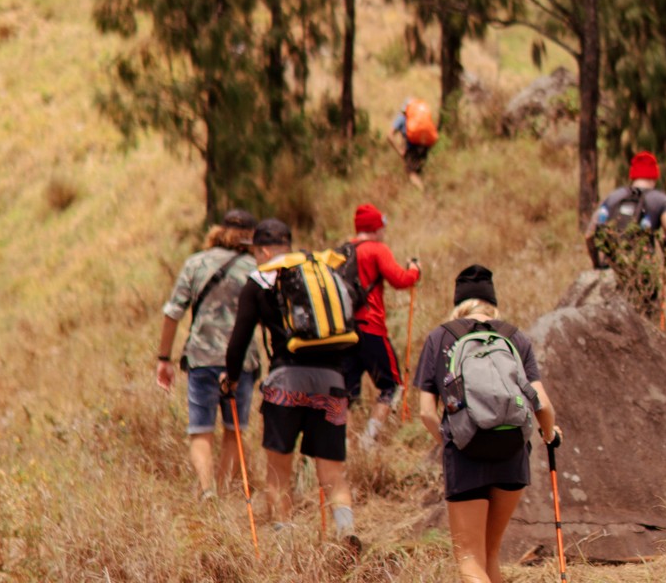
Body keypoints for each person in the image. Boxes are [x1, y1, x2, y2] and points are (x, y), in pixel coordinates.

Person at [220, 219, 361, 551]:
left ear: (264, 251)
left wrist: (231, 378)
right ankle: (346, 532)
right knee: (333, 472)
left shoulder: (260, 281)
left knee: (278, 471)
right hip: (332, 383)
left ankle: (286, 544)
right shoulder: (321, 273)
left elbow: (239, 340)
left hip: (286, 385)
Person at [414, 265, 559, 583]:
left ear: (458, 302)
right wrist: (549, 434)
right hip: (512, 452)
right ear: (493, 302)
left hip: (465, 454)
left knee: (469, 561)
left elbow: (426, 412)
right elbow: (543, 405)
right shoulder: (515, 337)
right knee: (490, 556)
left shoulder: (441, 337)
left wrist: (452, 443)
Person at [155, 208, 261, 500]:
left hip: (202, 358)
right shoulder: (255, 268)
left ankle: (207, 490)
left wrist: (164, 359)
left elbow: (172, 313)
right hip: (241, 361)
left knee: (200, 430)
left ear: (219, 231)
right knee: (233, 430)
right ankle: (224, 492)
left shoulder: (196, 263)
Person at [343, 203, 422, 447]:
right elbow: (400, 280)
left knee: (345, 394)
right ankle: (368, 442)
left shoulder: (343, 251)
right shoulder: (377, 249)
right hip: (371, 328)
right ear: (375, 228)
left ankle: (342, 447)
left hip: (343, 332)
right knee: (392, 386)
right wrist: (414, 271)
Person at [583, 150, 666, 316]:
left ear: (633, 174)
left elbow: (590, 234)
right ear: (655, 175)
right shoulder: (660, 200)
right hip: (643, 273)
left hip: (611, 270)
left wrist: (597, 265)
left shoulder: (613, 197)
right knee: (647, 321)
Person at [387, 96, 437, 190]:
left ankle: (424, 192)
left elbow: (389, 136)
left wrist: (400, 151)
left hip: (412, 147)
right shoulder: (420, 118)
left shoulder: (402, 118)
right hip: (425, 145)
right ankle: (421, 190)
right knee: (419, 171)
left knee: (411, 173)